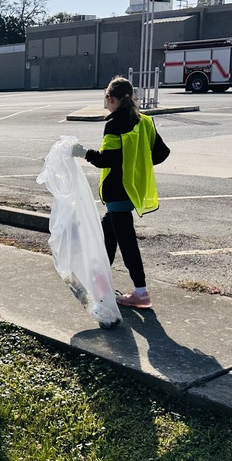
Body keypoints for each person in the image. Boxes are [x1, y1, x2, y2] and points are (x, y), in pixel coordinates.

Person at [72, 76, 170, 309]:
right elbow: (161, 153)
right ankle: (100, 282)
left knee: (126, 241)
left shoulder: (114, 123)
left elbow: (107, 160)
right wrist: (136, 163)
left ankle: (141, 292)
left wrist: (82, 152)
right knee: (108, 231)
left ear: (112, 99)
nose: (106, 103)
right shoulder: (145, 121)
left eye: (106, 98)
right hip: (133, 187)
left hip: (117, 189)